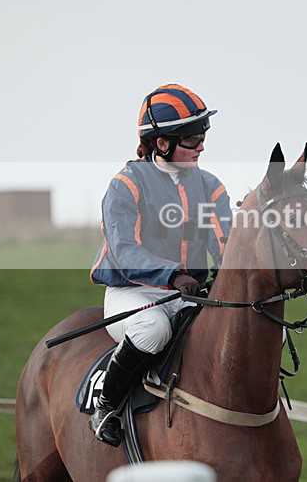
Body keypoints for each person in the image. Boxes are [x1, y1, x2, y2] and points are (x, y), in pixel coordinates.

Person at [87, 83, 231, 447]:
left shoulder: (211, 187)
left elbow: (225, 242)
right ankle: (107, 403)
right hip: (134, 293)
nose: (201, 145)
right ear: (161, 143)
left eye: (203, 135)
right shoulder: (126, 185)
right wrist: (173, 274)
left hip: (188, 294)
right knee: (153, 330)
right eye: (192, 138)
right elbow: (124, 250)